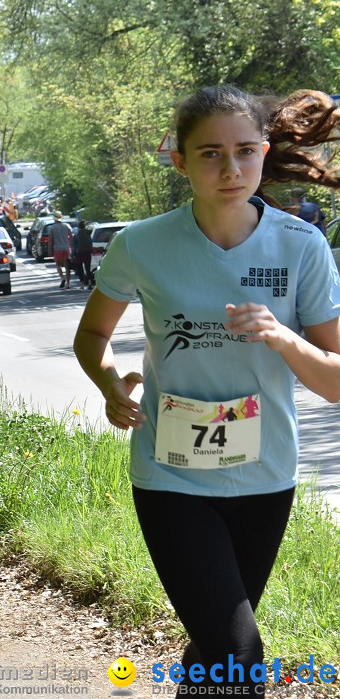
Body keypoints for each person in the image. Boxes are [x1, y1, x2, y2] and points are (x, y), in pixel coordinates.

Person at [74, 86, 340, 699]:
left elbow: (332, 380)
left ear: (264, 151)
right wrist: (109, 381)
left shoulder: (301, 246)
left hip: (265, 476)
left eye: (246, 151)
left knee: (214, 651)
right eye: (211, 154)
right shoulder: (140, 244)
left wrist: (282, 338)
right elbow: (92, 333)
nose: (231, 169)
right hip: (173, 478)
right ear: (180, 161)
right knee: (239, 652)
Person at [49, 211, 74, 288]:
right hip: (66, 248)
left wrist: (50, 250)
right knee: (67, 266)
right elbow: (71, 236)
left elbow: (50, 240)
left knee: (58, 265)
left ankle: (62, 278)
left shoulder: (52, 228)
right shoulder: (66, 226)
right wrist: (71, 245)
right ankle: (68, 283)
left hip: (57, 248)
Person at [71, 219, 94, 289]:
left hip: (79, 254)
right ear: (84, 227)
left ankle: (82, 284)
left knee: (80, 269)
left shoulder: (76, 235)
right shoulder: (88, 234)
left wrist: (73, 254)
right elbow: (90, 243)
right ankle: (90, 283)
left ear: (78, 227)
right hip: (87, 253)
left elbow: (74, 246)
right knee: (88, 269)